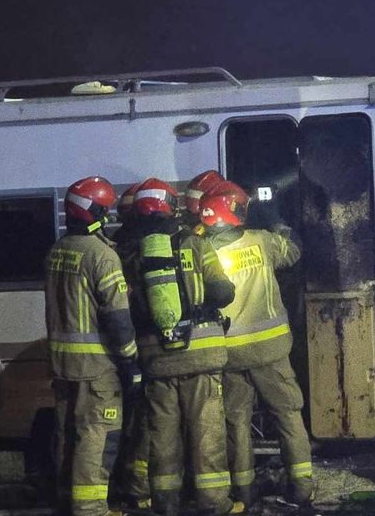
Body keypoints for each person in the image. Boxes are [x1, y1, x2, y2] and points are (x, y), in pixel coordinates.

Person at [125, 178, 239, 516]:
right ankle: (214, 504)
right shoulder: (194, 244)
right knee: (207, 435)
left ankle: (166, 505)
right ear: (171, 207)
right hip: (200, 355)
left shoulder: (130, 254)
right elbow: (223, 293)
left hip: (156, 359)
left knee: (162, 438)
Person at [200, 188, 313, 507]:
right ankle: (302, 487)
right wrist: (277, 220)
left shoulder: (202, 249)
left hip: (228, 354)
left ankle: (245, 492)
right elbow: (293, 252)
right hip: (270, 351)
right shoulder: (261, 240)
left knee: (235, 423)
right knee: (288, 415)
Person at [44, 176, 139, 516]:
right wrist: (130, 361)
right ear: (94, 211)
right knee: (98, 436)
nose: (110, 214)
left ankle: (67, 501)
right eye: (105, 208)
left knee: (67, 434)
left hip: (63, 366)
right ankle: (90, 508)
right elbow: (116, 316)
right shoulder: (101, 255)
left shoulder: (58, 250)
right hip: (97, 368)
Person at [110, 182, 151, 510]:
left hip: (117, 352)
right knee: (142, 424)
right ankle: (138, 489)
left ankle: (124, 484)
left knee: (125, 424)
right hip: (141, 347)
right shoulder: (144, 247)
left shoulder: (113, 246)